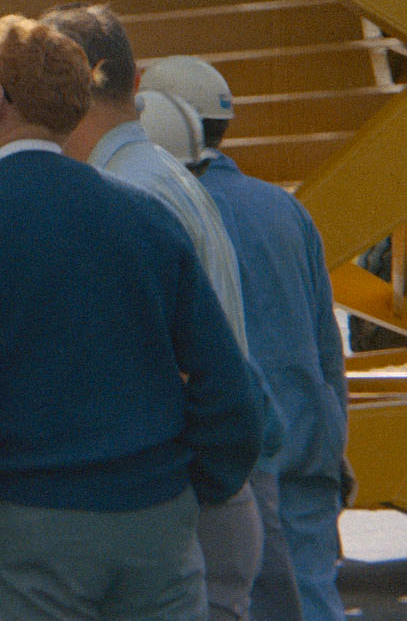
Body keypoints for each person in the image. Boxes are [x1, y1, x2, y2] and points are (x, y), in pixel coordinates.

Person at [0, 13, 262, 621]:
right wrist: (196, 487)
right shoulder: (145, 215)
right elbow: (227, 381)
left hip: (29, 525)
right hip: (156, 521)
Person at [53, 8, 262, 621]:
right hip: (203, 494)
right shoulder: (165, 175)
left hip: (173, 506)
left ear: (68, 87)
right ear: (135, 79)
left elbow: (153, 374)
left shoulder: (126, 196)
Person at [150, 58, 351, 621]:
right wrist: (333, 436)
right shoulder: (285, 209)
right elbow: (324, 339)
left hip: (228, 451)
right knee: (310, 594)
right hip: (308, 433)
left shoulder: (167, 207)